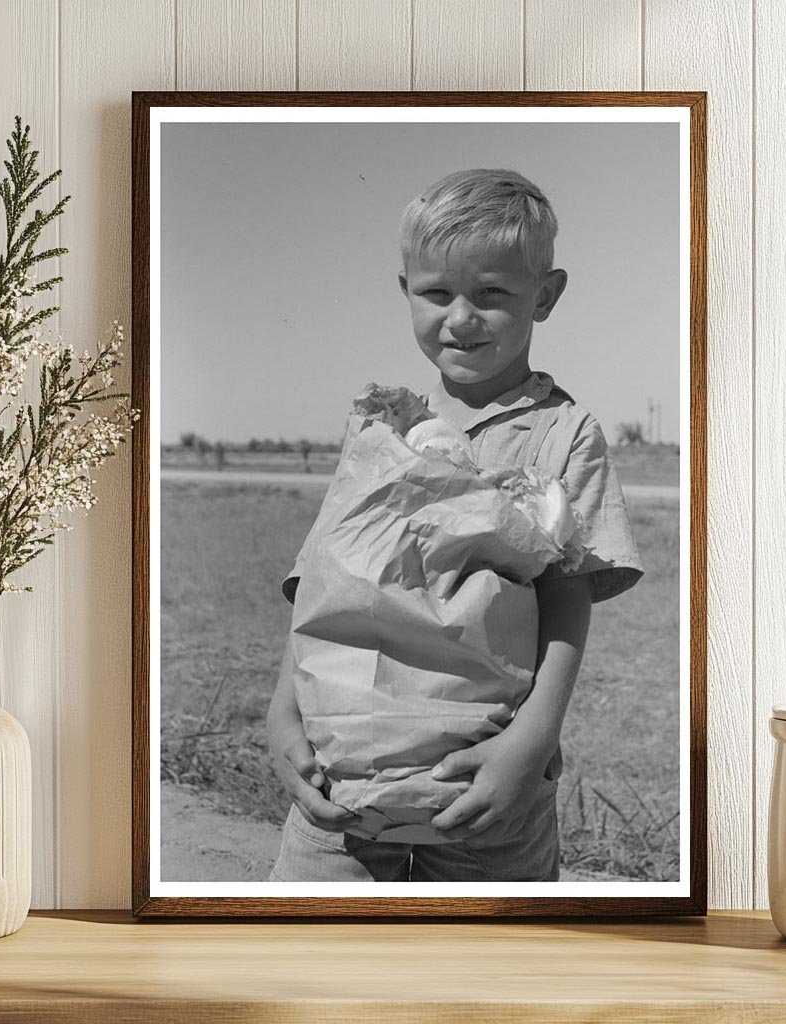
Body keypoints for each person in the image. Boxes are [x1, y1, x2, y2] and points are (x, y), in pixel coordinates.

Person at [266, 168, 644, 881]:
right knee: (312, 970)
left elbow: (570, 600)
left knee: (489, 975)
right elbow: (325, 582)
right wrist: (282, 714)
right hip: (340, 788)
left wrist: (530, 745)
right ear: (405, 290)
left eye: (492, 294)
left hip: (488, 789)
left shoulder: (565, 435)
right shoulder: (383, 429)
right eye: (437, 293)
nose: (461, 318)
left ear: (547, 295)